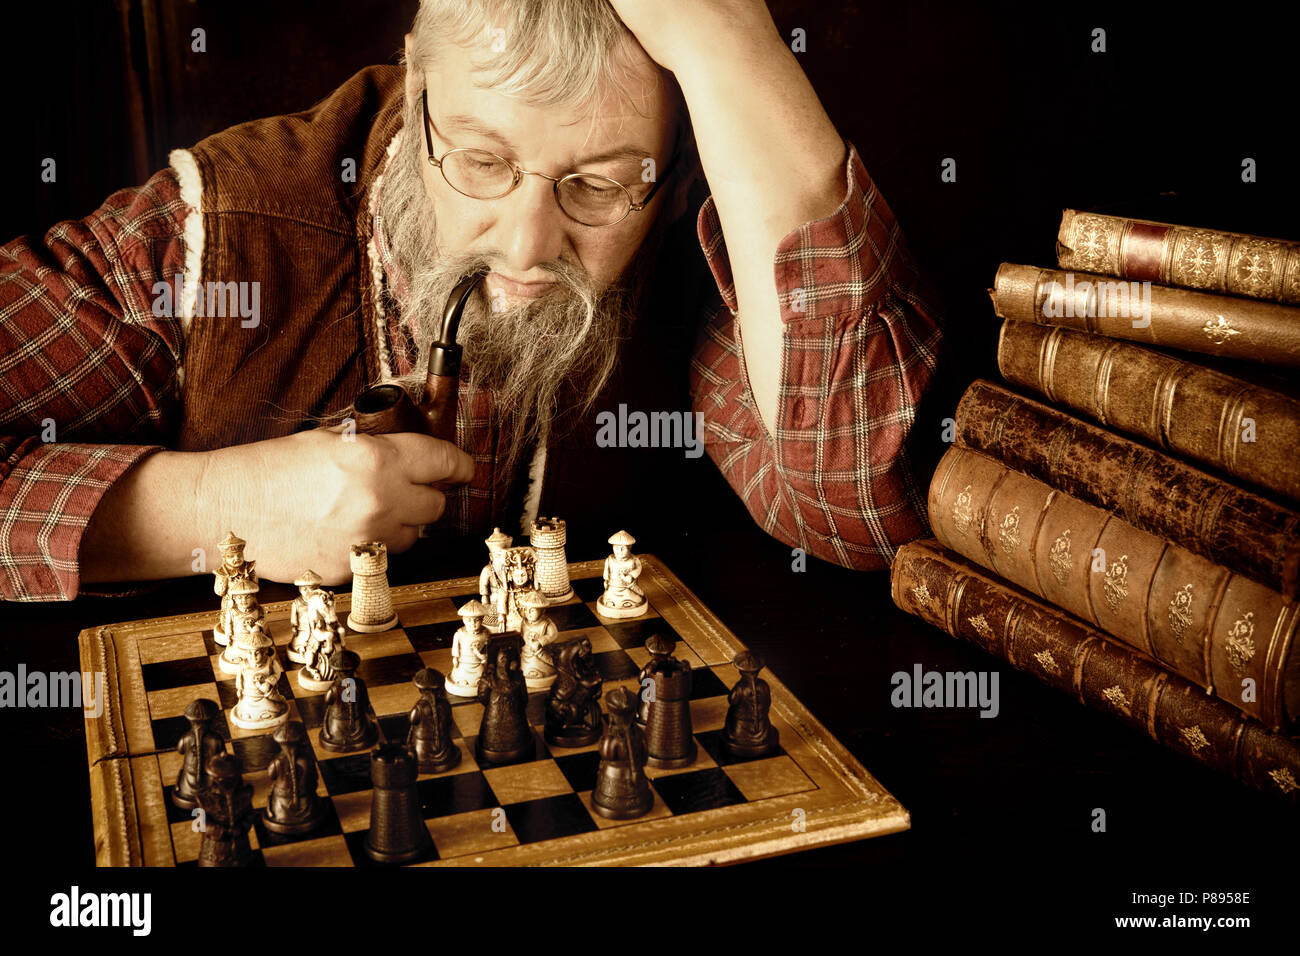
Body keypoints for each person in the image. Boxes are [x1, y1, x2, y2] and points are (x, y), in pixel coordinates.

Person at [0, 0, 943, 602]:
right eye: (483, 162)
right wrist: (217, 508)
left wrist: (721, 35)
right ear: (415, 86)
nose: (531, 249)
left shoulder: (698, 225)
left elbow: (856, 505)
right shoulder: (208, 234)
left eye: (602, 183)